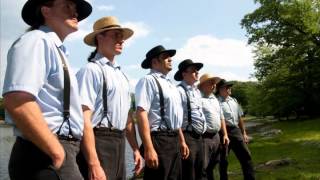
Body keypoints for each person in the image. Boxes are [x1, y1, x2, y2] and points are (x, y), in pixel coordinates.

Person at [2, 0, 97, 179]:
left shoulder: (55, 49)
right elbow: (17, 100)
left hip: (56, 150)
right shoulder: (36, 41)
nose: (74, 12)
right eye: (67, 6)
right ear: (46, 10)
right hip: (44, 152)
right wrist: (56, 151)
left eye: (75, 8)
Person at [76, 16, 143, 180]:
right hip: (99, 142)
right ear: (100, 37)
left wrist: (135, 149)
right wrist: (93, 163)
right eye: (115, 35)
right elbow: (83, 117)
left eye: (122, 36)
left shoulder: (122, 76)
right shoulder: (90, 71)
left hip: (119, 143)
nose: (121, 40)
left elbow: (127, 118)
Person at [135, 45, 189, 180]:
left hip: (174, 139)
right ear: (154, 62)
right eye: (165, 57)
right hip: (160, 140)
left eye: (170, 57)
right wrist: (148, 148)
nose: (170, 59)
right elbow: (141, 113)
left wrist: (182, 141)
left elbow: (175, 117)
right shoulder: (148, 81)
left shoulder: (170, 84)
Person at [215, 79, 255, 180]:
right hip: (222, 132)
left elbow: (240, 118)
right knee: (223, 160)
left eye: (229, 87)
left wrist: (244, 133)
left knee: (246, 156)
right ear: (220, 89)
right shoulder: (215, 101)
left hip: (236, 131)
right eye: (227, 87)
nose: (229, 88)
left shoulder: (234, 100)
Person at [174, 59, 207, 180]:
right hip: (187, 136)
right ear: (184, 74)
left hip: (198, 136)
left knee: (200, 170)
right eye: (193, 71)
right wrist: (182, 141)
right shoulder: (178, 91)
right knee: (189, 172)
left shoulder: (197, 91)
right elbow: (175, 119)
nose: (197, 73)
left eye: (197, 70)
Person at [197, 74, 229, 180]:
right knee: (203, 167)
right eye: (210, 82)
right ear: (202, 85)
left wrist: (224, 134)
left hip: (216, 136)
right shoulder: (197, 98)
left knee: (214, 163)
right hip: (204, 137)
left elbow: (221, 117)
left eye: (214, 83)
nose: (214, 85)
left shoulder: (214, 99)